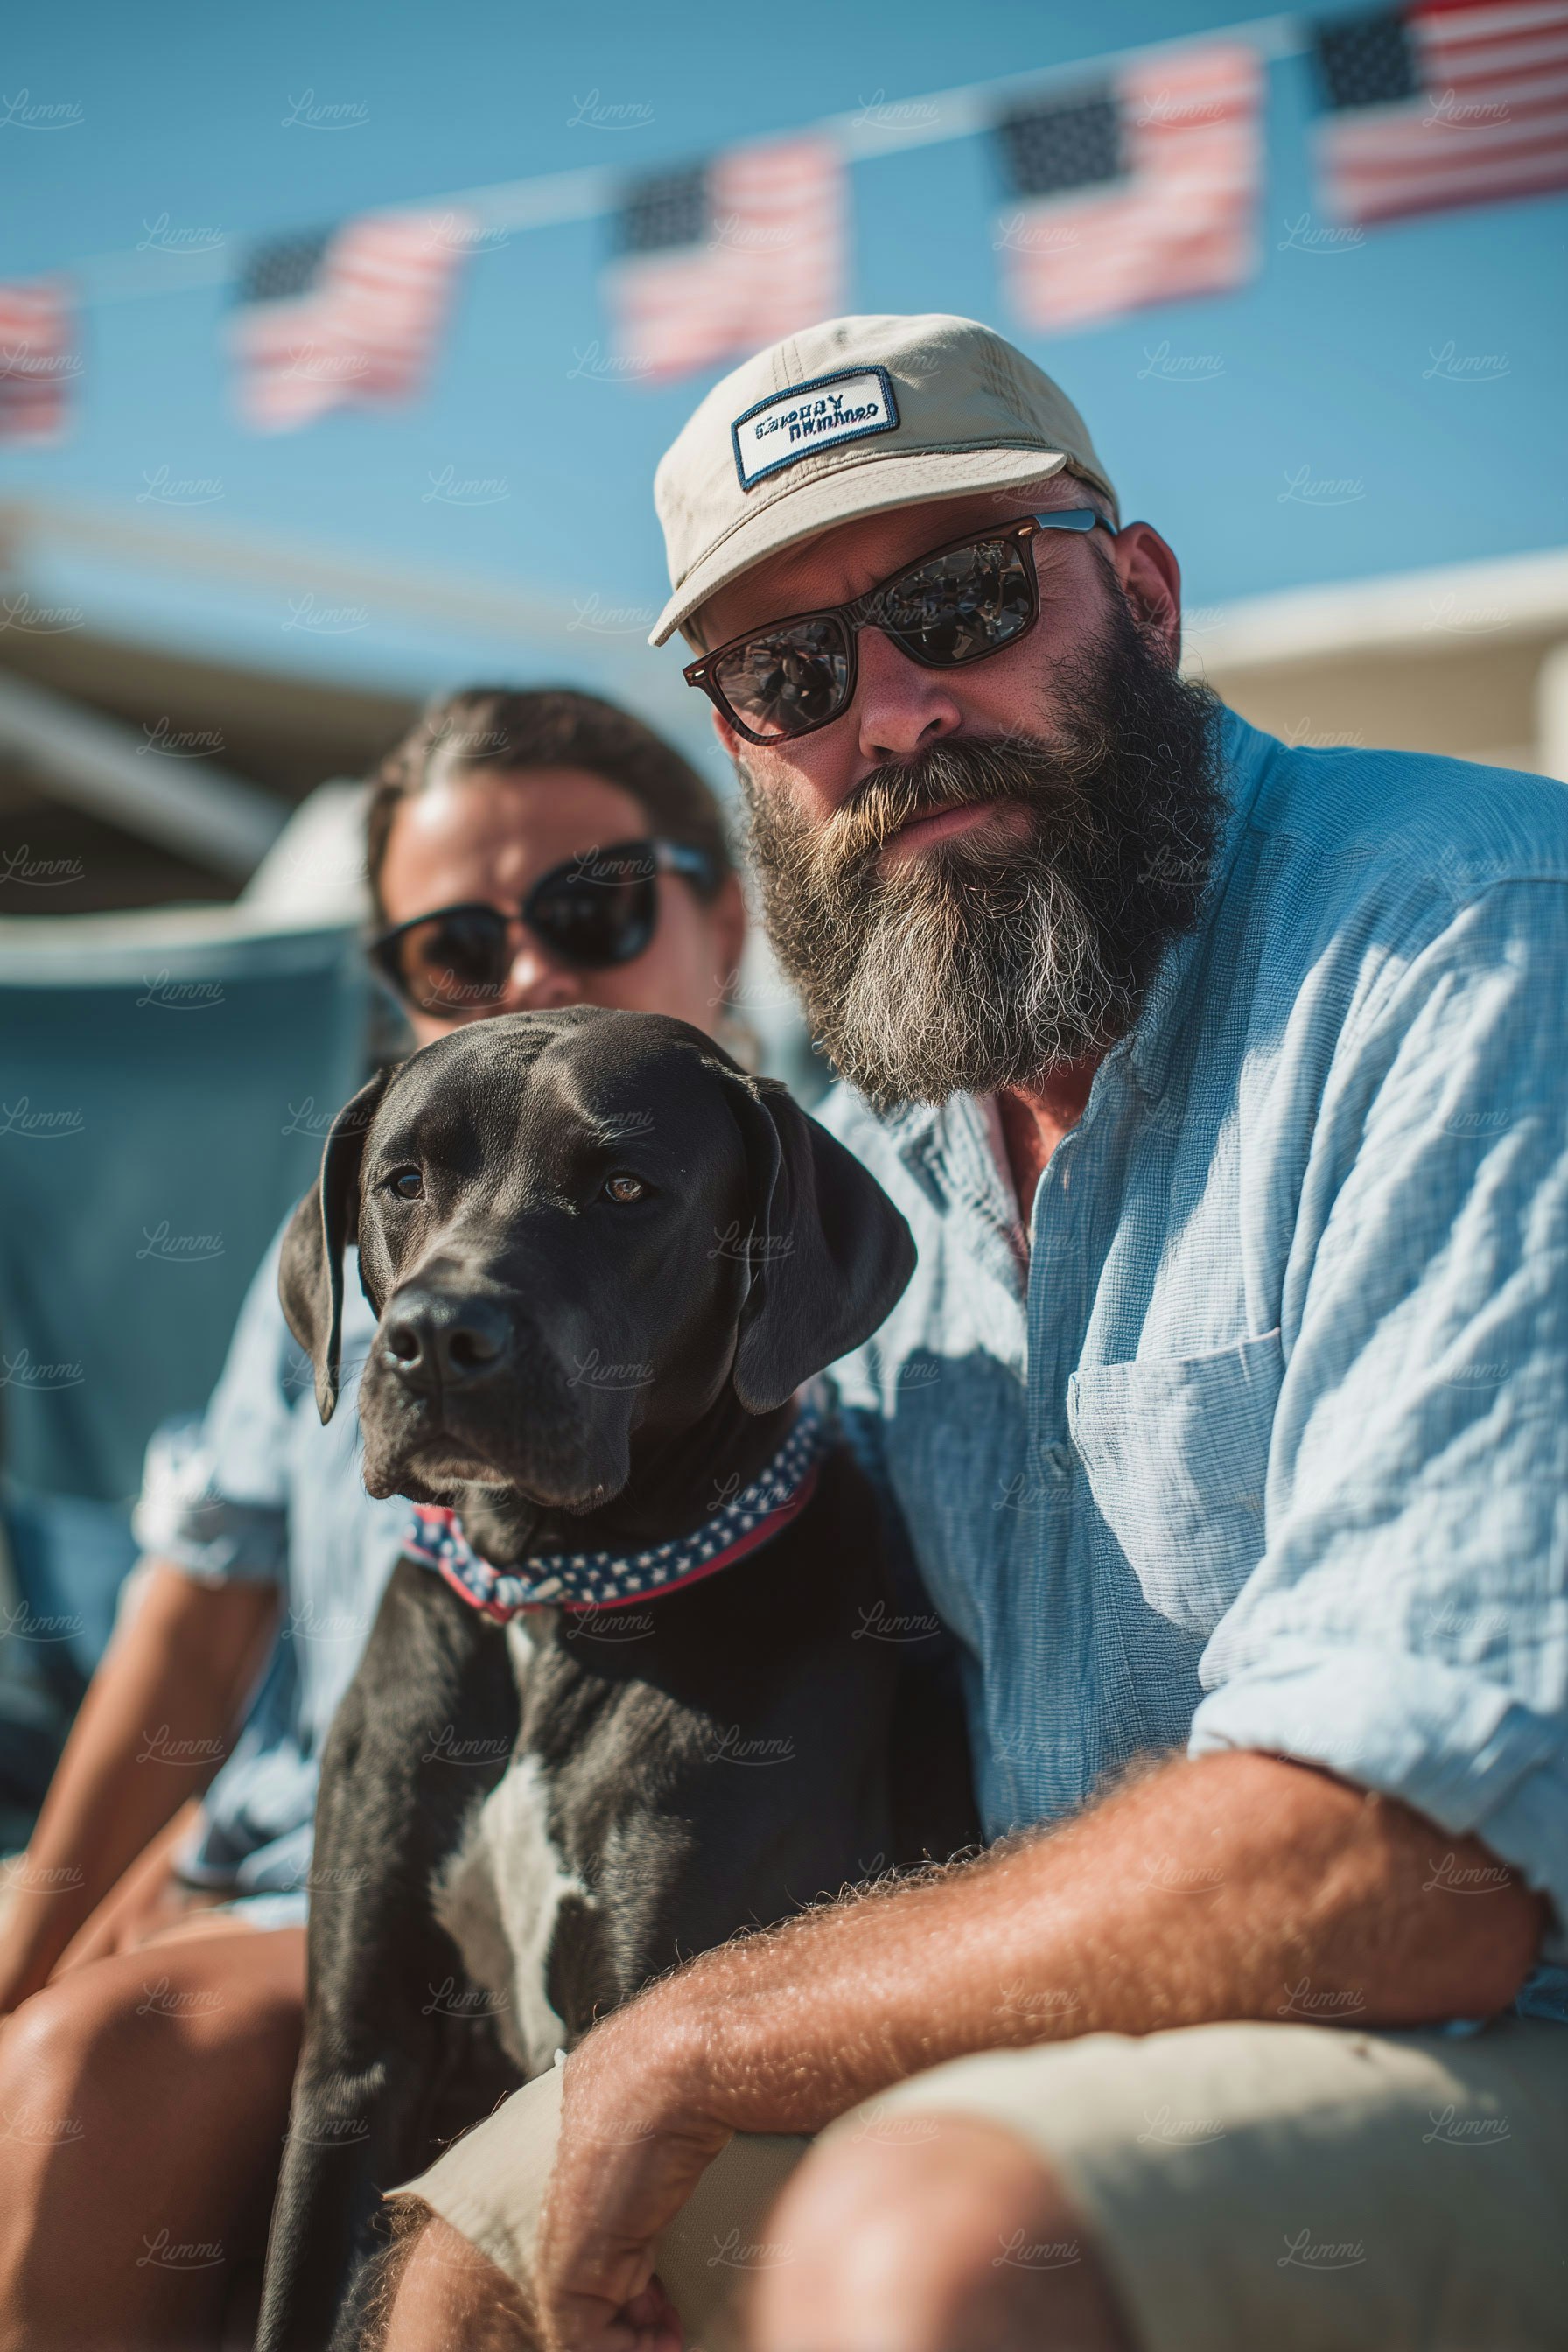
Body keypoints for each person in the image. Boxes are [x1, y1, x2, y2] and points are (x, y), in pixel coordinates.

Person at [383, 317, 1568, 2352]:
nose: (893, 712)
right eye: (787, 673)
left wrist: (701, 2031)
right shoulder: (856, 1171)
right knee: (479, 2253)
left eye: (960, 601)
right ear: (746, 751)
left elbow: (1407, 1875)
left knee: (932, 2239)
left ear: (1146, 596)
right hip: (1071, 2029)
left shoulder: (1467, 948)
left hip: (1486, 2010)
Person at [0, 686, 745, 2352]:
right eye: (455, 953)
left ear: (731, 924)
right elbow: (196, 1620)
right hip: (283, 1874)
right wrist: (35, 1955)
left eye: (595, 910)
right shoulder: (359, 1246)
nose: (529, 978)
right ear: (399, 992)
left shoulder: (795, 1239)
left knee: (80, 2086)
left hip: (591, 1925)